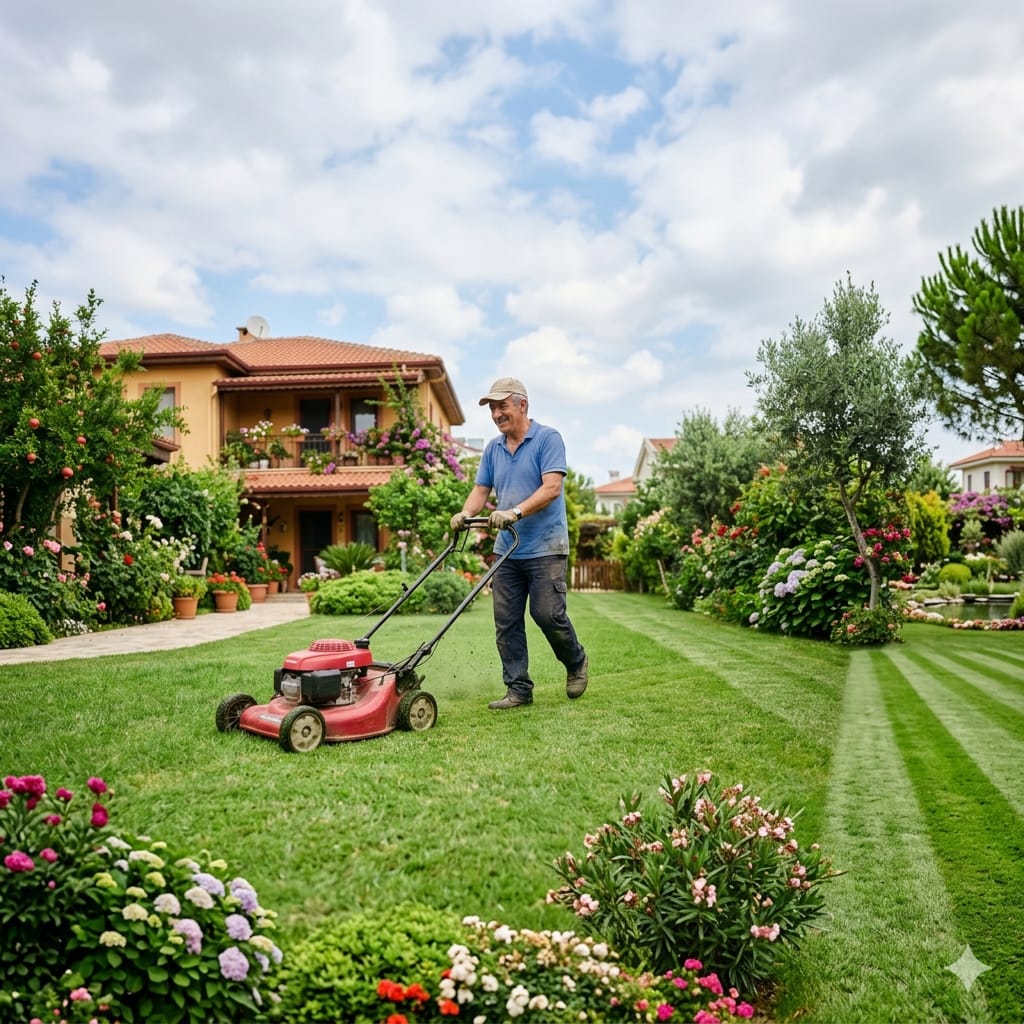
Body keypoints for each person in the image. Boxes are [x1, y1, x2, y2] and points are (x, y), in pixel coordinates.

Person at [450, 377, 588, 709]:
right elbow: (481, 490)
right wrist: (465, 513)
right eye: (492, 409)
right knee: (507, 621)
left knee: (546, 614)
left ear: (522, 404)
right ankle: (518, 689)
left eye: (502, 406)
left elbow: (552, 487)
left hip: (546, 546)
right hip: (507, 550)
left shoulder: (548, 439)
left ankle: (576, 661)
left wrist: (515, 511)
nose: (497, 414)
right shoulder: (493, 449)